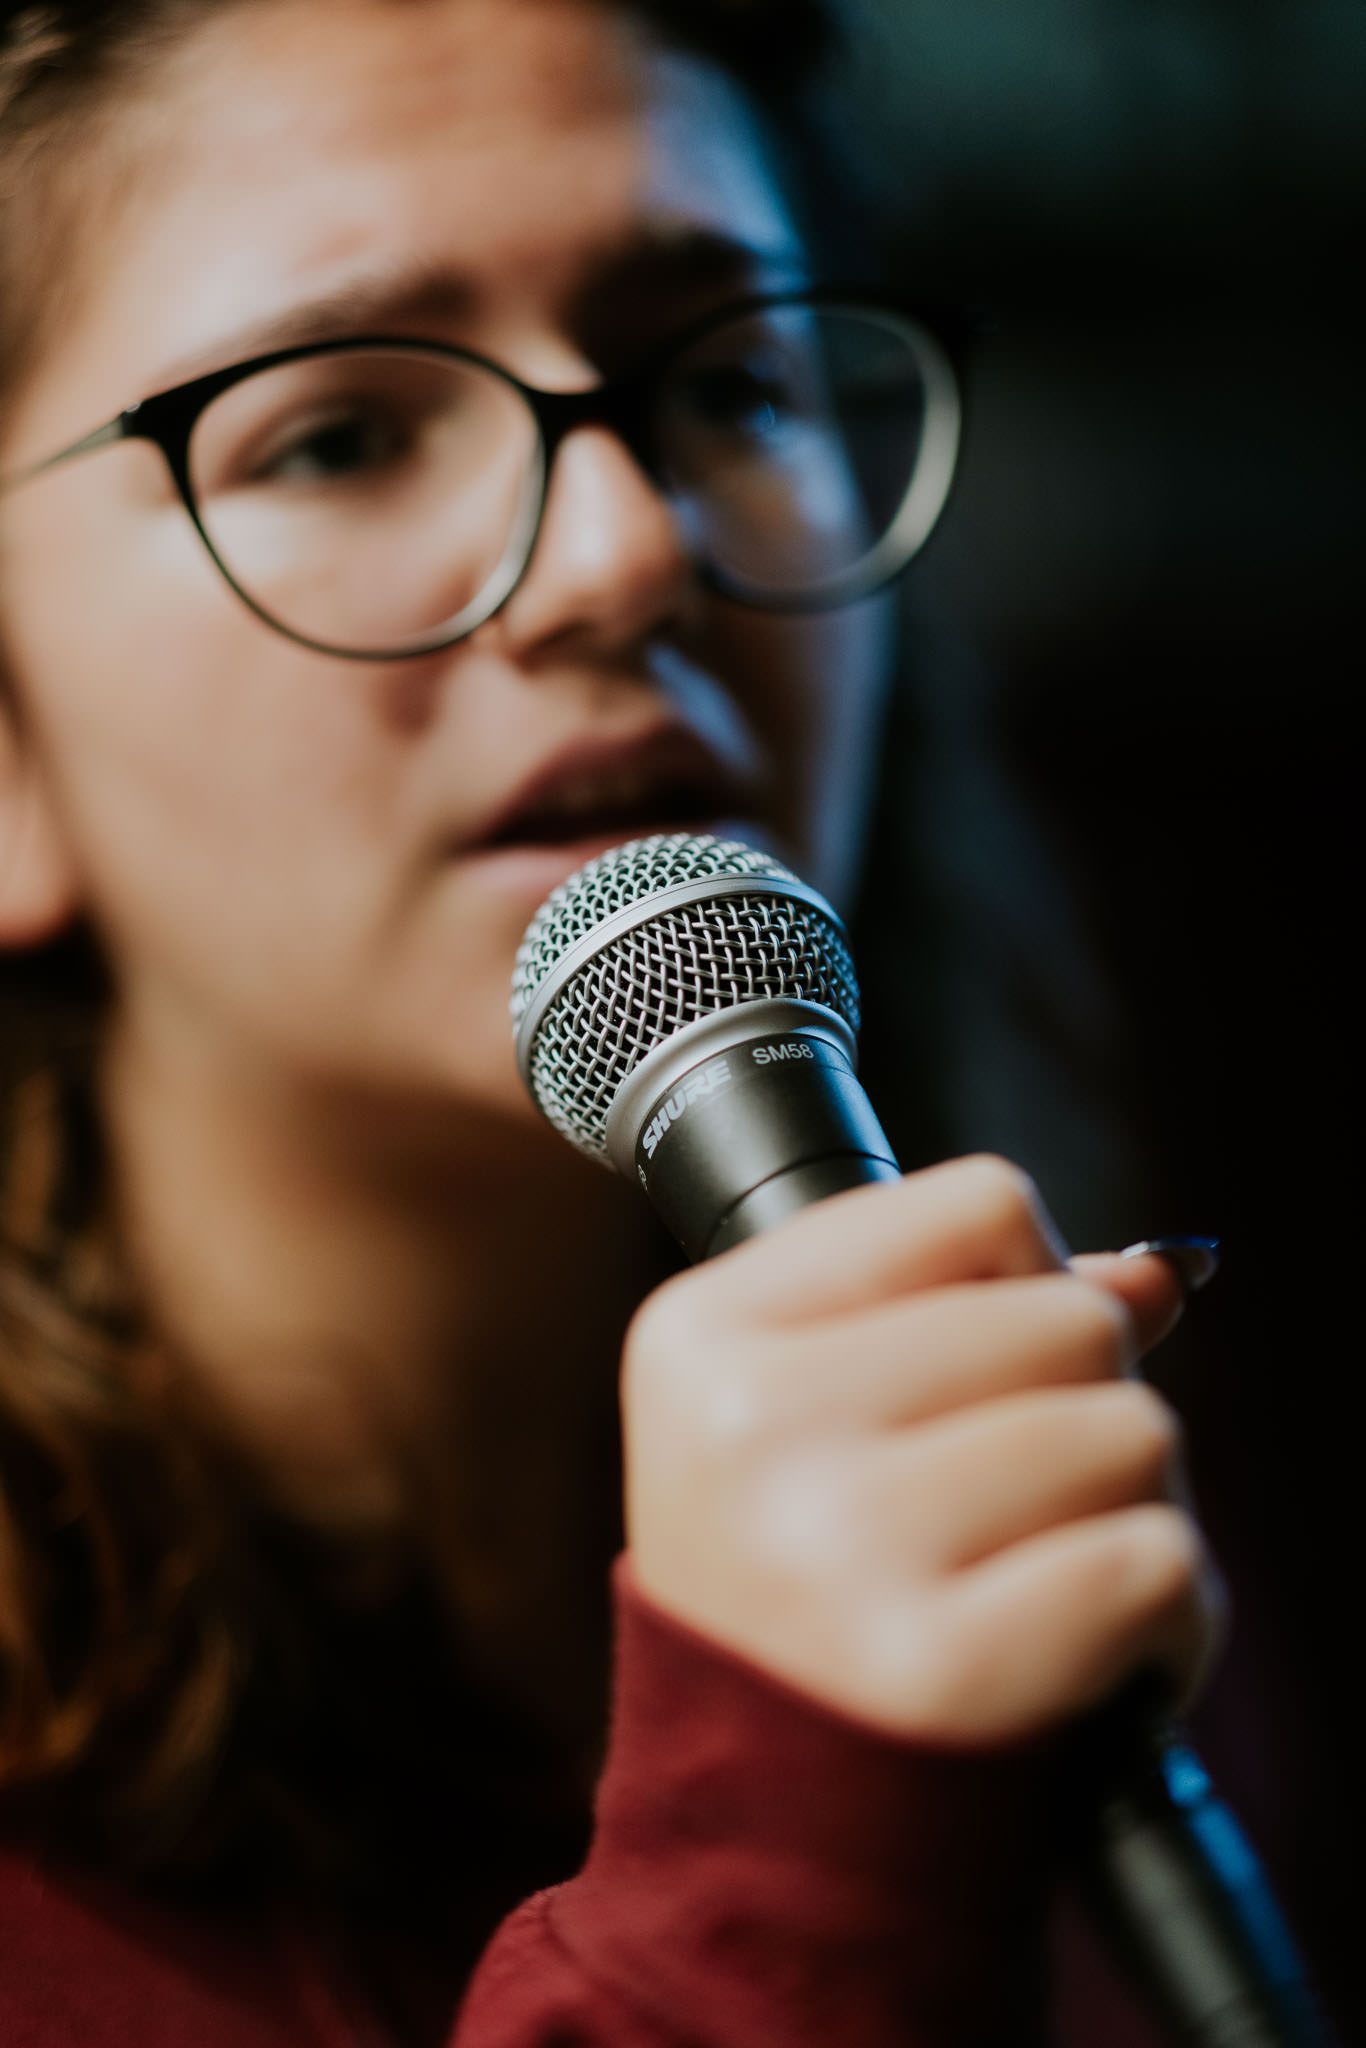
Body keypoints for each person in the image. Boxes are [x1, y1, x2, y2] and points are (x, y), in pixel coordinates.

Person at [0, 1, 1224, 2041]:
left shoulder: (1077, 1466)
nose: (625, 552)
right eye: (340, 433)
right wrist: (795, 1849)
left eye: (726, 383)